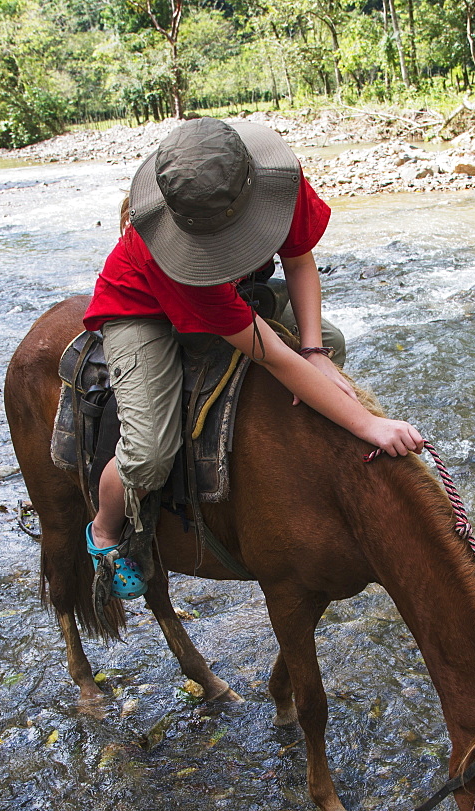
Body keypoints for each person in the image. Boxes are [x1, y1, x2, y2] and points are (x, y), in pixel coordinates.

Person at [82, 117, 423, 598]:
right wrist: (370, 427)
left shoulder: (280, 184)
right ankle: (104, 533)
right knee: (148, 455)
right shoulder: (169, 258)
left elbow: (299, 259)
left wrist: (315, 351)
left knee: (332, 340)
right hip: (144, 309)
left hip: (237, 286)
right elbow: (272, 357)